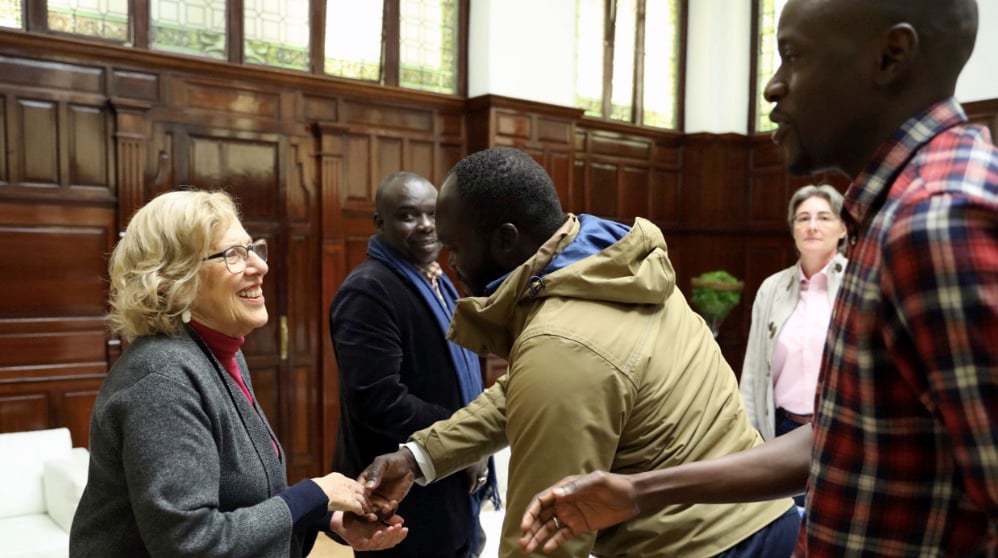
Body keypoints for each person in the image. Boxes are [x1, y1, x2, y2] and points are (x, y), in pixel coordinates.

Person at [519, 0, 998, 556]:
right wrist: (640, 491)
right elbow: (842, 439)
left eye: (793, 56)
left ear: (890, 57)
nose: (773, 87)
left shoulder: (937, 219)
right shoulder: (898, 211)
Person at [360, 147, 801, 558]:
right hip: (763, 518)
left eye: (456, 247)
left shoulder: (559, 343)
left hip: (701, 547)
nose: (450, 263)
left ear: (506, 240)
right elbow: (521, 392)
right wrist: (420, 456)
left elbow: (544, 536)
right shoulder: (615, 267)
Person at [70, 190, 407, 557]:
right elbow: (191, 544)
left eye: (252, 248)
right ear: (173, 279)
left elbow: (239, 498)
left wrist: (325, 518)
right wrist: (313, 494)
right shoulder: (162, 380)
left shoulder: (219, 354)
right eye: (232, 255)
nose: (259, 266)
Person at [328, 171, 497, 558]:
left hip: (444, 480)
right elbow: (379, 399)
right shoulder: (369, 290)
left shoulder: (439, 280)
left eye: (432, 215)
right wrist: (465, 437)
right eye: (408, 216)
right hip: (402, 496)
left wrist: (471, 441)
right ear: (380, 223)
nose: (425, 226)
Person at [739, 186, 847, 501]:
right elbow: (754, 371)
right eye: (803, 218)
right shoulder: (771, 288)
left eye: (824, 217)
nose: (812, 226)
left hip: (839, 432)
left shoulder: (858, 281)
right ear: (793, 229)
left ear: (842, 228)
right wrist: (751, 439)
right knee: (788, 527)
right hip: (783, 431)